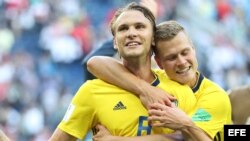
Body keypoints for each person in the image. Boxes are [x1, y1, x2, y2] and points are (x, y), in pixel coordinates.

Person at [49, 2, 197, 141]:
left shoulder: (179, 88)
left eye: (139, 27)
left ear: (153, 38)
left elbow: (195, 135)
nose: (131, 33)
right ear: (115, 42)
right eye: (123, 28)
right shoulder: (91, 92)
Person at [87, 20, 232, 141]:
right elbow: (95, 63)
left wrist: (116, 140)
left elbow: (183, 137)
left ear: (193, 50)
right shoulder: (154, 81)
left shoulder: (214, 96)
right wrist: (145, 89)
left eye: (185, 52)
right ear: (159, 62)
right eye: (172, 57)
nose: (181, 62)